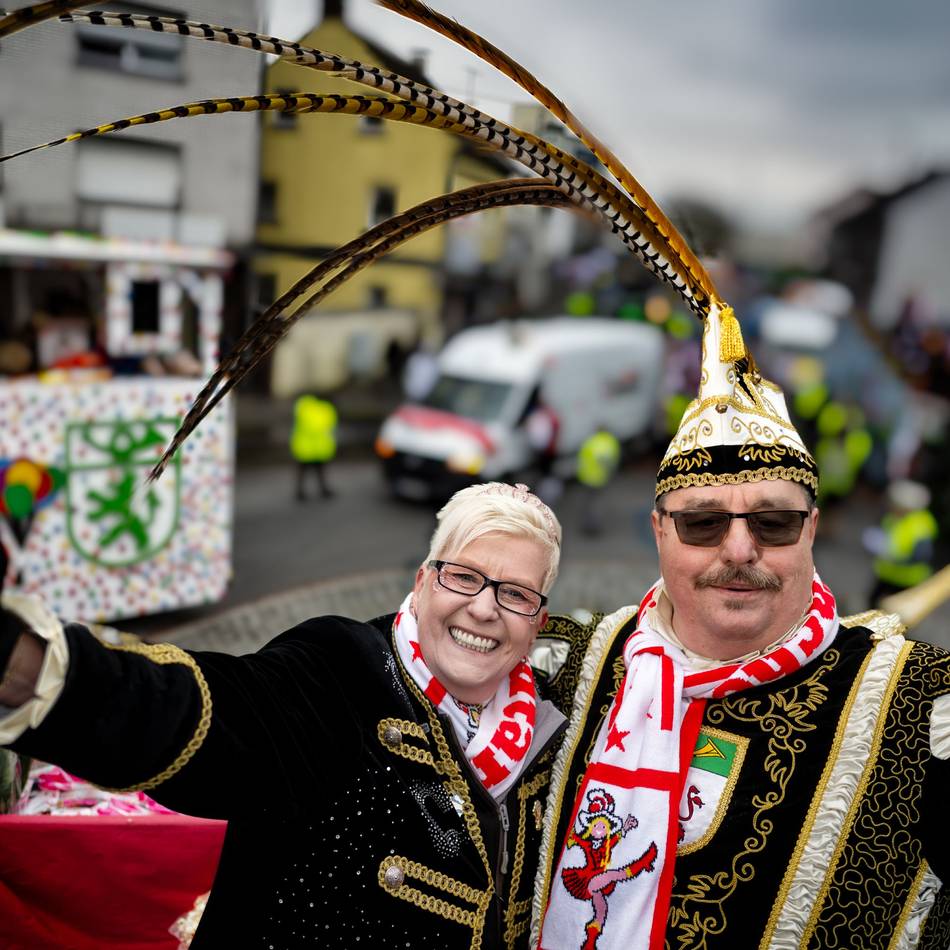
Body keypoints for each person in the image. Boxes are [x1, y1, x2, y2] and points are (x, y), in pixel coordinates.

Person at [0, 481, 578, 949]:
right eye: (464, 576)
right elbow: (204, 711)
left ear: (537, 620)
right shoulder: (340, 669)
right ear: (424, 580)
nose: (483, 609)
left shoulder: (557, 730)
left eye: (516, 594)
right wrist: (30, 665)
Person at [532, 310, 950, 948]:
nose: (738, 550)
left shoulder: (919, 704)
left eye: (773, 523)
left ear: (810, 530)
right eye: (702, 523)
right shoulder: (570, 665)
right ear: (658, 532)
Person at [866, 478, 939, 605]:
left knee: (897, 611)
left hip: (906, 579)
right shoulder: (894, 517)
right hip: (887, 572)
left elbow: (922, 556)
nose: (891, 506)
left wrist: (895, 558)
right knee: (873, 602)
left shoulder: (921, 525)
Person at [290, 393, 337, 500]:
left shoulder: (303, 406)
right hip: (320, 446)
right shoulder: (327, 409)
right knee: (320, 471)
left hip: (304, 446)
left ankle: (300, 492)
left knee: (303, 471)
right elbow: (331, 428)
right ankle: (323, 490)